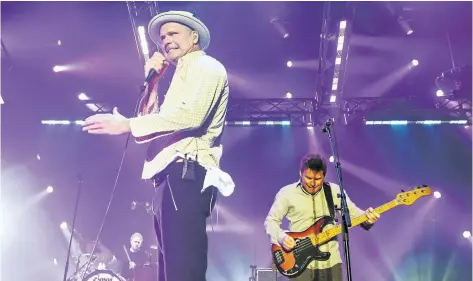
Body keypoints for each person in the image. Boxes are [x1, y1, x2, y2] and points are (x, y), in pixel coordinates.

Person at [82, 10, 235, 281]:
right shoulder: (179, 76)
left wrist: (127, 125)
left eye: (173, 33)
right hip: (168, 180)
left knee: (183, 270)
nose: (166, 41)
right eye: (162, 37)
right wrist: (153, 82)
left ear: (194, 36)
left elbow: (192, 115)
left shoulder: (209, 67)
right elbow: (152, 124)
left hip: (186, 175)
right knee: (170, 271)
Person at [264, 154, 380, 281]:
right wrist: (282, 237)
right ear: (300, 173)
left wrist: (367, 218)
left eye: (318, 179)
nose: (312, 183)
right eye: (308, 178)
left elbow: (355, 214)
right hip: (300, 264)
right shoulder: (287, 193)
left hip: (331, 263)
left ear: (324, 176)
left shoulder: (335, 191)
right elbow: (271, 222)